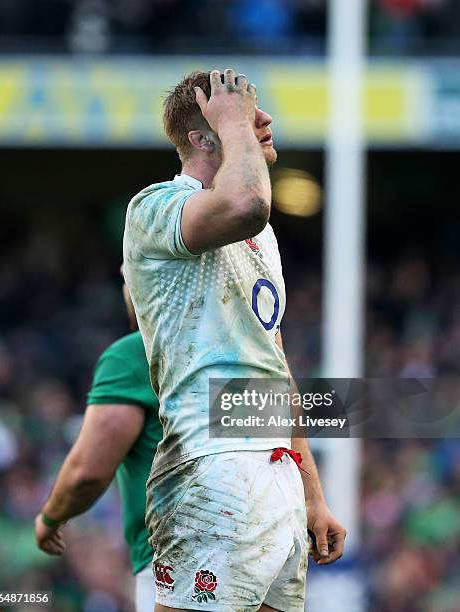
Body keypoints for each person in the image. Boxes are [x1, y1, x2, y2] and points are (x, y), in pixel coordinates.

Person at [123, 69, 346, 612]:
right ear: (204, 137)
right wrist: (231, 119)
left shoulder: (260, 234)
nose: (264, 121)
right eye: (249, 114)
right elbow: (246, 201)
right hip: (211, 465)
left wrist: (311, 492)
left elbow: (275, 366)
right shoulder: (155, 207)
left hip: (275, 476)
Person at [34, 282, 162, 612]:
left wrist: (49, 520)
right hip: (265, 557)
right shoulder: (243, 350)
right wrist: (313, 498)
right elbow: (277, 430)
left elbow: (86, 474)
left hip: (186, 563)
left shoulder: (136, 354)